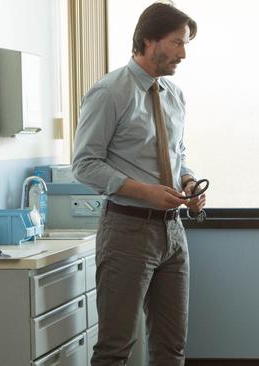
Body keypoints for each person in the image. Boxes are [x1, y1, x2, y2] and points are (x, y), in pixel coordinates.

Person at [71, 3, 205, 365]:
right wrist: (144, 191)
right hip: (127, 231)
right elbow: (84, 165)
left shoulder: (174, 95)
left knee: (171, 346)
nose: (183, 54)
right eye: (177, 43)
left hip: (173, 234)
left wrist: (188, 182)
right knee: (115, 347)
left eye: (185, 44)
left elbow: (176, 153)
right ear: (149, 40)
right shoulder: (110, 92)